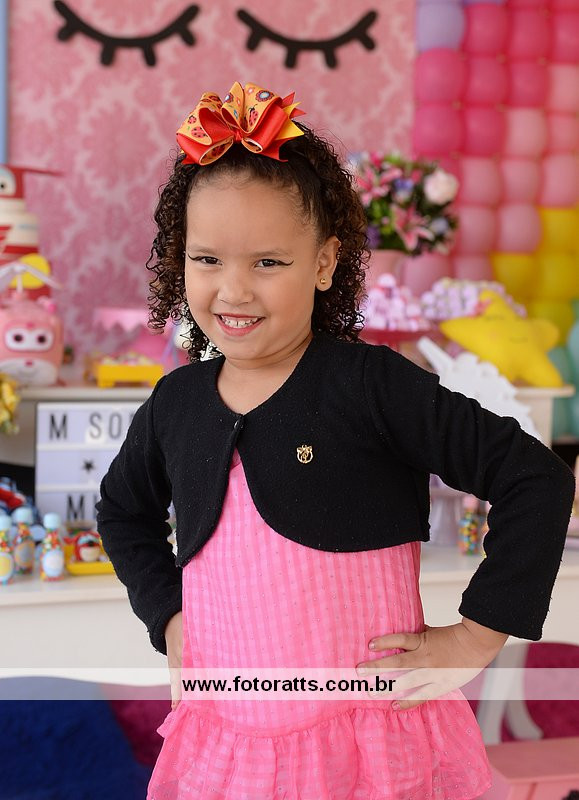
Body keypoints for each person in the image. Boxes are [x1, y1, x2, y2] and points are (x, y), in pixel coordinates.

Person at [96, 81, 575, 800]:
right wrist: (167, 615)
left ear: (323, 263)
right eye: (207, 259)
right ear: (179, 258)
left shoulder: (371, 384)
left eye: (268, 262)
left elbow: (535, 478)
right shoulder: (177, 401)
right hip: (230, 746)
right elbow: (121, 510)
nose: (234, 290)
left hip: (371, 751)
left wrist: (476, 635)